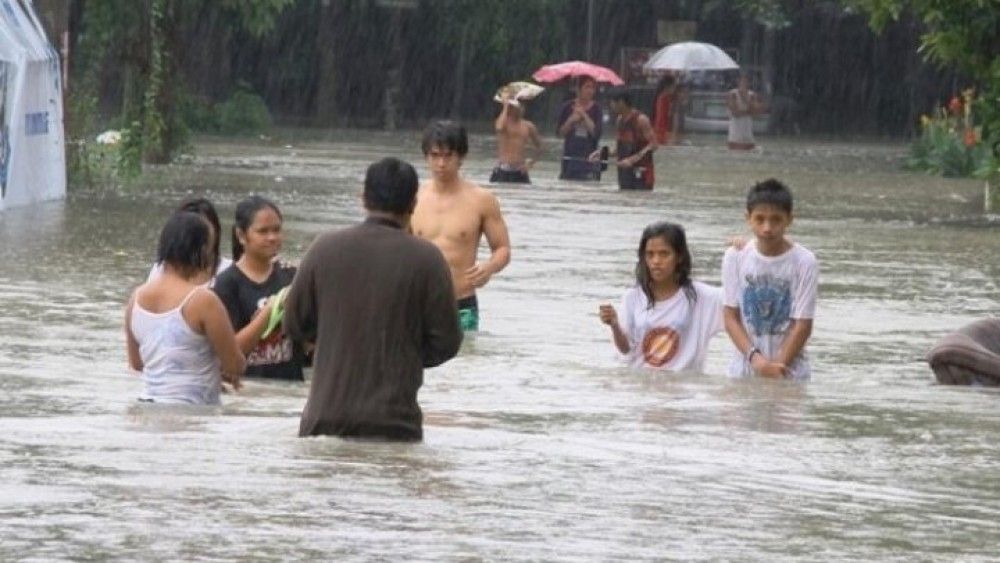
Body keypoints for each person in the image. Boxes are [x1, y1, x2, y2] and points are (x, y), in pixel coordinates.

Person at [284, 157, 463, 441]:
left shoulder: (325, 248)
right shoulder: (427, 259)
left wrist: (336, 342)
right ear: (413, 204)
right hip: (394, 425)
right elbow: (447, 342)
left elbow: (294, 323)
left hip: (325, 420)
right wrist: (404, 353)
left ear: (362, 197)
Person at [125, 211, 245, 404]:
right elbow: (235, 365)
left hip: (147, 408)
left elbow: (137, 364)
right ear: (200, 251)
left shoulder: (136, 298)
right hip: (192, 412)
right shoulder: (203, 300)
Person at [411, 120, 511, 331]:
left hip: (461, 305)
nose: (441, 164)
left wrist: (489, 267)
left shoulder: (482, 200)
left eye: (448, 156)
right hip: (417, 304)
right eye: (435, 156)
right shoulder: (412, 197)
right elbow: (394, 246)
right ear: (426, 157)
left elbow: (503, 249)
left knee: (465, 362)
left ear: (461, 157)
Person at [721, 179, 818, 380]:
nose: (767, 227)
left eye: (776, 219)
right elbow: (731, 317)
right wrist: (757, 361)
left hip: (790, 372)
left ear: (789, 220)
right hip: (744, 371)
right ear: (748, 218)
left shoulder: (804, 261)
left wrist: (778, 366)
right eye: (760, 219)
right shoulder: (735, 256)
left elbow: (802, 325)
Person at [599, 222, 724, 372]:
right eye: (650, 254)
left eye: (664, 254)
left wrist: (743, 250)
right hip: (641, 386)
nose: (656, 261)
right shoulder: (633, 297)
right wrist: (614, 325)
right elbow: (626, 350)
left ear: (679, 257)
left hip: (682, 389)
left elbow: (738, 300)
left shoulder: (701, 297)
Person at [212, 196, 307, 381]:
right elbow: (229, 353)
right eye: (263, 231)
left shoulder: (292, 276)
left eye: (277, 230)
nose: (272, 237)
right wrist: (271, 311)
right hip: (248, 394)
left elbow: (308, 342)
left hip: (289, 390)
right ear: (241, 235)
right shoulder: (227, 284)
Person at [147, 197, 232, 286]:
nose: (196, 237)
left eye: (203, 230)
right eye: (190, 231)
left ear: (216, 231)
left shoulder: (229, 271)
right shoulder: (162, 268)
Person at [592, 89, 658, 190]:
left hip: (641, 175)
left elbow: (654, 145)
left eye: (612, 102)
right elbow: (618, 150)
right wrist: (602, 153)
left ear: (621, 102)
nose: (611, 105)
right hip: (624, 175)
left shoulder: (641, 120)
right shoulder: (620, 121)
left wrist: (631, 160)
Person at [557, 76, 603, 181]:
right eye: (587, 87)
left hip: (590, 160)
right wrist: (571, 120)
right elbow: (560, 133)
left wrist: (584, 115)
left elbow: (597, 134)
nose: (590, 91)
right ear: (578, 89)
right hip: (569, 158)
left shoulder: (597, 109)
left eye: (592, 88)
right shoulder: (567, 107)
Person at [491, 93, 543, 184]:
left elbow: (539, 147)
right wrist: (505, 106)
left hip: (520, 170)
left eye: (523, 106)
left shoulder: (528, 126)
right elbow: (499, 128)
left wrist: (530, 163)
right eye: (519, 105)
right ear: (512, 108)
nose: (522, 109)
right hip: (503, 169)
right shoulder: (503, 123)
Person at [726, 73, 763, 150]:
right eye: (742, 81)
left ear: (749, 83)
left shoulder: (751, 94)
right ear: (738, 82)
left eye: (746, 81)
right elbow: (735, 112)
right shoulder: (733, 93)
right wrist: (747, 111)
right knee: (735, 148)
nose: (744, 83)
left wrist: (747, 107)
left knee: (749, 148)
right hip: (736, 127)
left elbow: (755, 112)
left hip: (747, 126)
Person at [652, 74, 676, 145]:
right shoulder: (663, 98)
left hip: (662, 130)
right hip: (661, 131)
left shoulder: (665, 97)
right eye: (673, 86)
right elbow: (661, 116)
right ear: (668, 86)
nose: (674, 89)